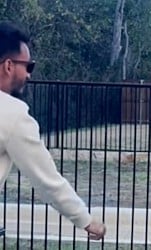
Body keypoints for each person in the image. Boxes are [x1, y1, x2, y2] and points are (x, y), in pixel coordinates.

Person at [0, 21, 106, 239]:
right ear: (8, 66)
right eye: (28, 66)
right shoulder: (12, 114)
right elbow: (46, 179)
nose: (29, 74)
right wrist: (85, 220)